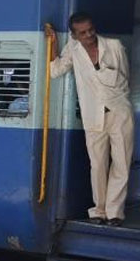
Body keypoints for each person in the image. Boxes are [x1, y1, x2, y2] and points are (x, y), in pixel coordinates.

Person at [46, 12, 134, 226]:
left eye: (91, 30)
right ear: (74, 35)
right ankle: (99, 211)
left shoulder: (114, 46)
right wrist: (52, 43)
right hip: (92, 115)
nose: (89, 35)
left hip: (119, 112)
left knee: (122, 163)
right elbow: (55, 70)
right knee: (97, 164)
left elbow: (125, 77)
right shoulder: (73, 50)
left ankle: (114, 213)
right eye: (83, 33)